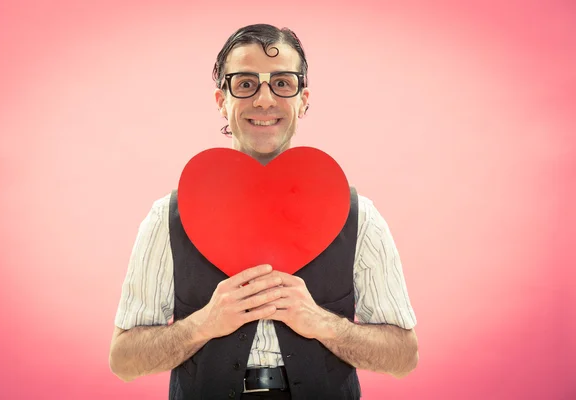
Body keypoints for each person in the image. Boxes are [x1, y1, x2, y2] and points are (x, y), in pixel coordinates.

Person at [109, 23, 418, 400]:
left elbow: (404, 356)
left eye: (283, 84)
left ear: (304, 99)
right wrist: (203, 325)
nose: (264, 100)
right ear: (222, 100)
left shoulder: (359, 217)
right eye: (245, 84)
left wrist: (322, 324)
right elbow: (123, 359)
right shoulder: (167, 218)